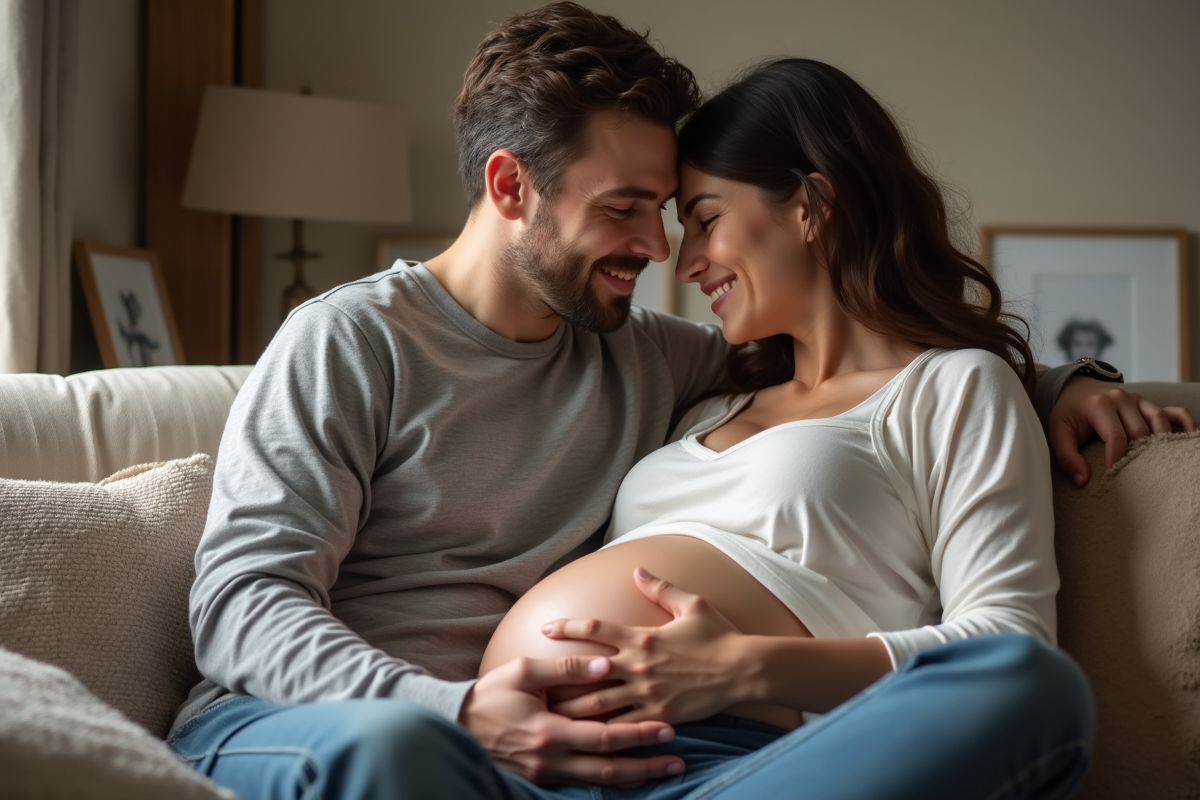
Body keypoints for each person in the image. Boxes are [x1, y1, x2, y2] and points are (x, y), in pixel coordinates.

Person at [166, 4, 1195, 798]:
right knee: (405, 751)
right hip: (353, 723)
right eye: (628, 210)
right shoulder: (350, 339)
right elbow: (241, 604)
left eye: (674, 213)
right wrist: (462, 709)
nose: (662, 252)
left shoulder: (651, 358)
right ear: (510, 186)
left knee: (1034, 691)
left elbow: (891, 371)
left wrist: (1061, 382)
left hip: (640, 760)